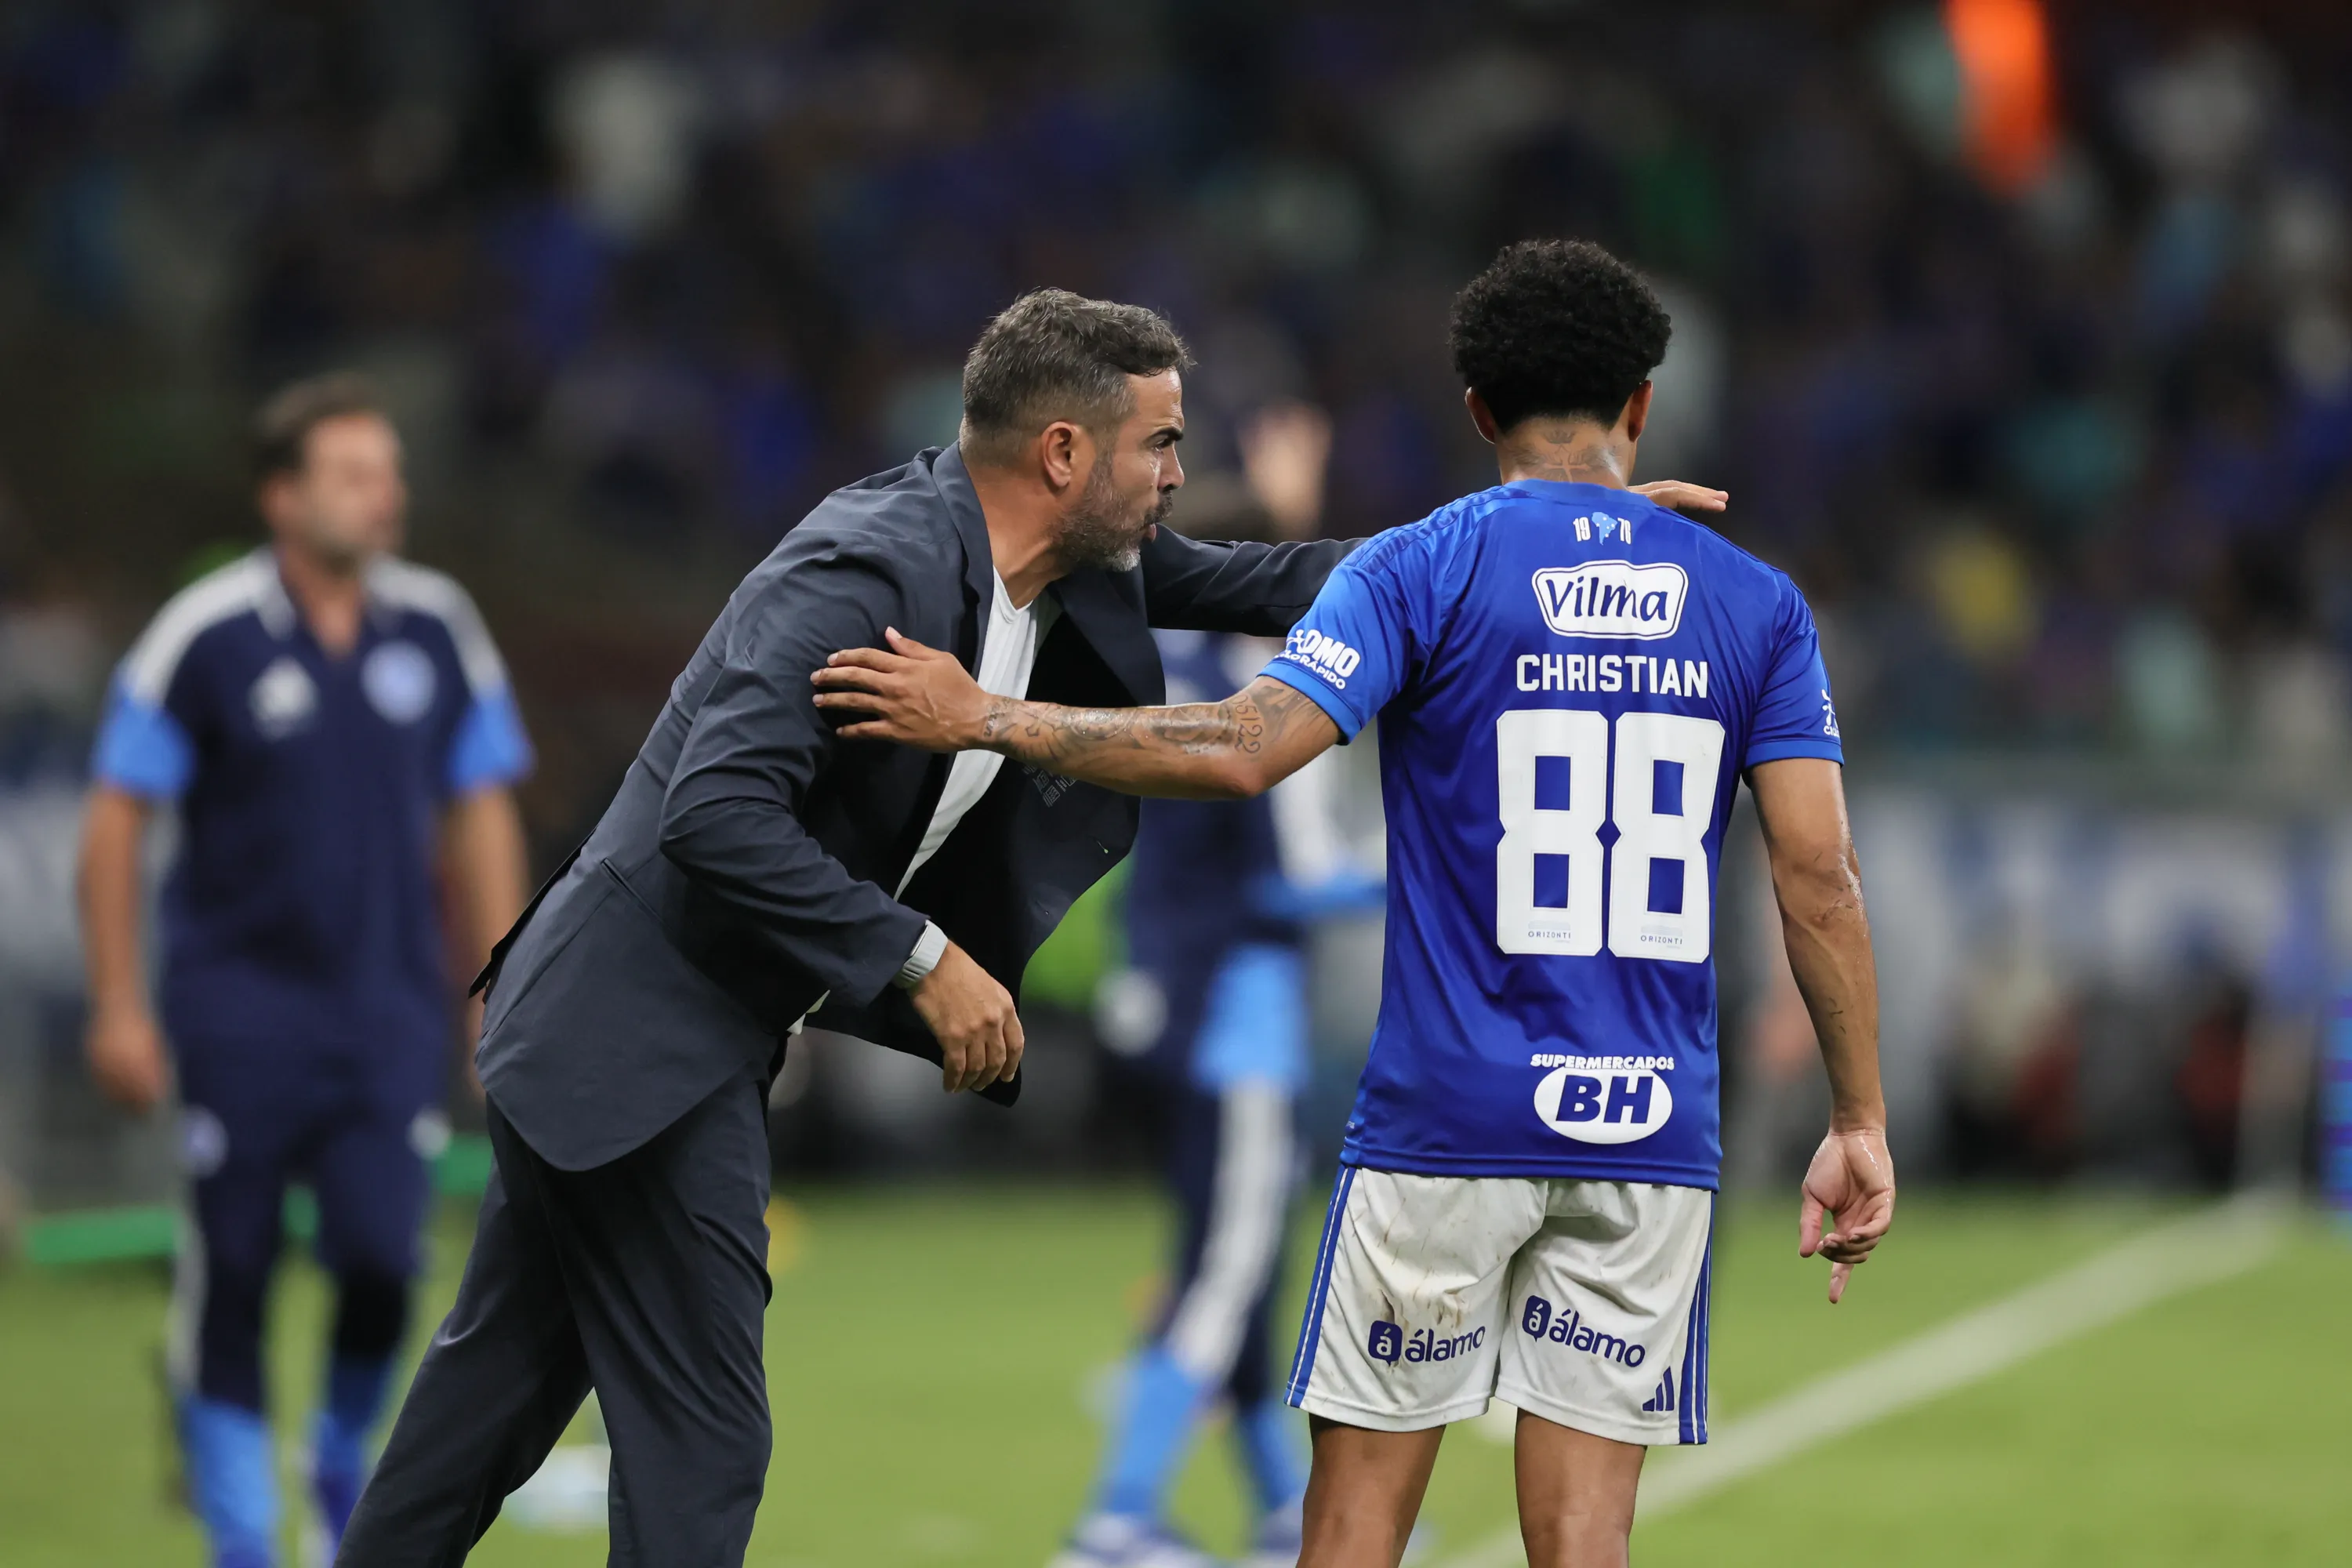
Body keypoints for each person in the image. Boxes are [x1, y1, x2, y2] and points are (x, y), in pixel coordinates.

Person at [813, 240, 1896, 1568]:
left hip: (1449, 1120)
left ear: (1478, 412)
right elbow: (1819, 878)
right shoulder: (1757, 604)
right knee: (1584, 1543)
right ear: (1645, 407)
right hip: (1647, 1127)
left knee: (1353, 1533)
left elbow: (1239, 747)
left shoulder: (1425, 566)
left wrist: (986, 714)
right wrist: (1857, 1116)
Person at [332, 290, 1360, 1568]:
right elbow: (715, 811)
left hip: (632, 1044)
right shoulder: (868, 564)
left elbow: (1287, 577)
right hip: (634, 1041)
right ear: (1063, 454)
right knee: (702, 1446)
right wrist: (919, 960)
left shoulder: (1069, 567)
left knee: (471, 1438)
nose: (1180, 473)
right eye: (1160, 442)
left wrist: (1530, 537)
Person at [77, 372, 533, 1568]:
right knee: (229, 1267)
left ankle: (338, 1457)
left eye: (391, 472)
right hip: (235, 1011)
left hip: (385, 1011)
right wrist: (120, 1003)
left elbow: (480, 813)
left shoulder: (436, 626)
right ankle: (244, 1544)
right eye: (355, 474)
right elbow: (117, 816)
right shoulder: (207, 635)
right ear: (283, 498)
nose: (387, 496)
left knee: (384, 1261)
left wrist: (501, 986)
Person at [1059, 405, 1377, 1568]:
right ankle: (1118, 1519)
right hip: (1240, 1017)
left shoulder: (1168, 658)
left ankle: (1286, 1509)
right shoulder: (1253, 678)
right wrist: (1417, 878)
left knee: (1232, 1264)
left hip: (1168, 997)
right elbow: (1300, 875)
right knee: (1229, 1267)